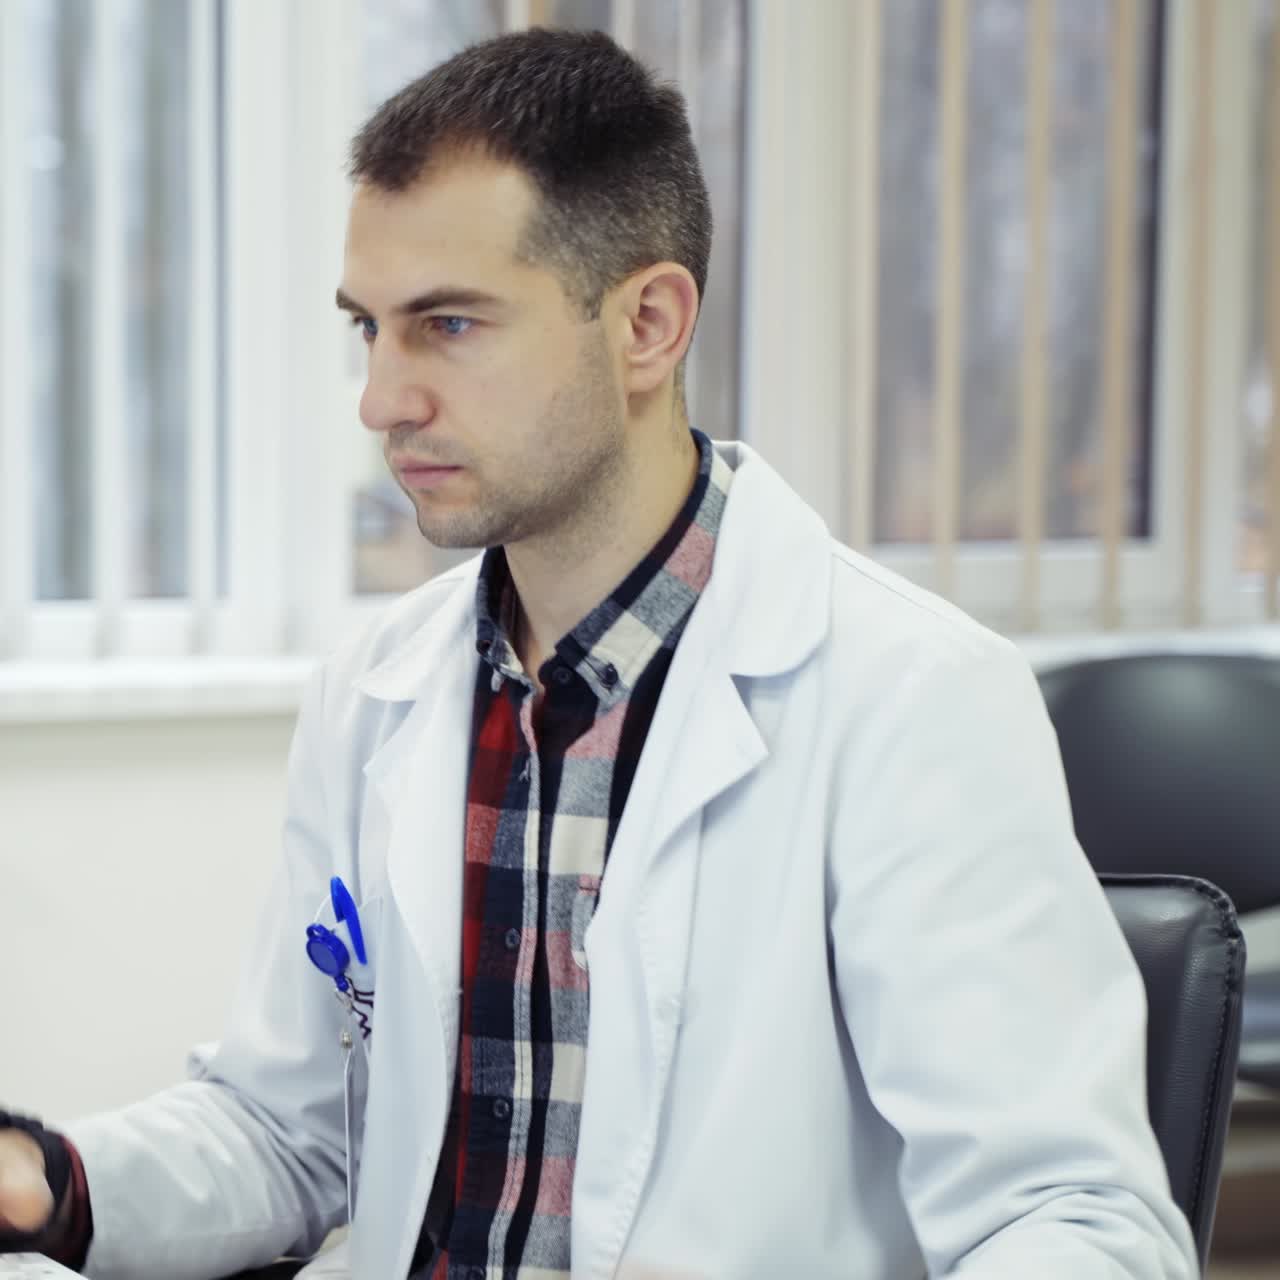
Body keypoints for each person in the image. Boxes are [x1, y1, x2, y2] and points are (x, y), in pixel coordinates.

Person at [1, 27, 1197, 1280]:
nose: (381, 399)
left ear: (646, 324)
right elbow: (291, 1135)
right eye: (370, 328)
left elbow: (1071, 1223)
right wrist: (41, 1182)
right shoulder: (377, 692)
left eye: (447, 325)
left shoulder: (911, 699)